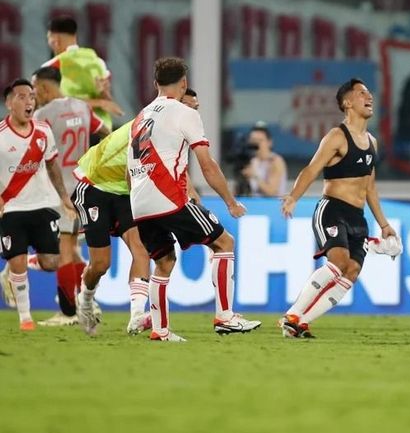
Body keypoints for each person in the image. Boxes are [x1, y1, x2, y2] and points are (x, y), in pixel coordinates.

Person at [121, 57, 259, 342]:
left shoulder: (140, 117)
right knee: (225, 243)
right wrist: (230, 201)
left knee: (164, 261)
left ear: (155, 83)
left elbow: (128, 170)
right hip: (169, 198)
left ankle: (160, 330)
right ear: (183, 83)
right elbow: (207, 165)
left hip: (139, 201)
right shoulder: (185, 113)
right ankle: (225, 316)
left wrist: (139, 201)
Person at [73, 89, 203, 336]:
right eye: (189, 108)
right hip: (95, 185)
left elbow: (172, 166)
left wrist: (190, 193)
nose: (193, 114)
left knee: (140, 247)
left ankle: (135, 317)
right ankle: (86, 299)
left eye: (196, 109)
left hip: (127, 190)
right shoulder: (151, 125)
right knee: (101, 264)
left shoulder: (173, 128)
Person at [278, 78, 399, 339]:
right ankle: (292, 314)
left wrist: (385, 225)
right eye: (361, 93)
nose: (369, 97)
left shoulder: (372, 142)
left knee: (352, 272)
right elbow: (312, 168)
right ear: (347, 103)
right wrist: (293, 197)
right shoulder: (336, 136)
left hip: (358, 217)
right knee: (339, 262)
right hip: (332, 210)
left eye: (369, 92)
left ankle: (300, 323)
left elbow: (370, 188)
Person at [31, 66, 108, 326]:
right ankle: (79, 305)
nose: (33, 96)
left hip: (59, 190)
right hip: (83, 186)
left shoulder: (42, 115)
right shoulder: (81, 107)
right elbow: (105, 133)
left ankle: (67, 313)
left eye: (34, 90)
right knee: (74, 250)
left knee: (64, 250)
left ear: (43, 87)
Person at [0, 79, 78, 331]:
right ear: (9, 103)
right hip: (11, 208)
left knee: (51, 262)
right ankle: (25, 318)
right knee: (19, 262)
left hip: (44, 204)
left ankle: (12, 266)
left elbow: (53, 165)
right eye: (22, 97)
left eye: (31, 97)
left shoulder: (44, 130)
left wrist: (65, 198)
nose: (29, 102)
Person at [42, 16, 122, 131]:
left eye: (49, 38)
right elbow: (108, 101)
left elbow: (54, 104)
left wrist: (100, 102)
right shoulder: (98, 62)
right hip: (101, 132)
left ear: (55, 41)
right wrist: (101, 100)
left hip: (70, 132)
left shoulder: (50, 67)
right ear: (74, 36)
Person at [241, 123, 287, 197]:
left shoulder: (275, 161)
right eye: (253, 140)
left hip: (271, 205)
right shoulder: (251, 162)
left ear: (269, 142)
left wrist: (254, 176)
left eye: (260, 140)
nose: (256, 144)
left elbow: (271, 192)